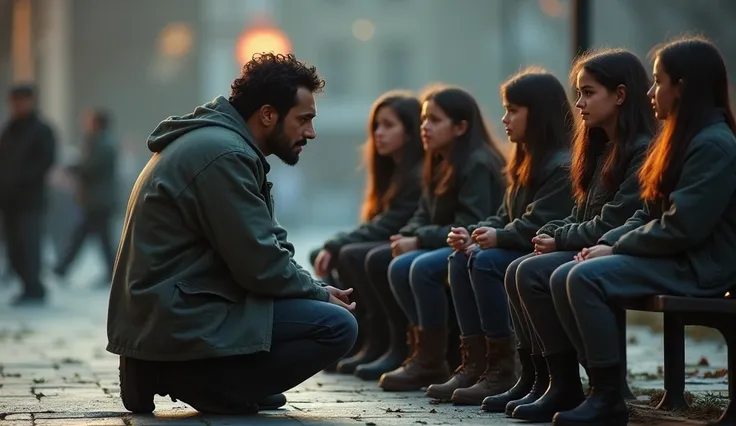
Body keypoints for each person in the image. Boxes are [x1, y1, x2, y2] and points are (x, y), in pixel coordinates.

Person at [107, 53, 359, 415]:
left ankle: (216, 375)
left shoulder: (224, 146)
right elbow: (260, 265)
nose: (311, 132)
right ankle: (182, 377)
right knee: (337, 327)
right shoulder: (223, 154)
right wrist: (317, 294)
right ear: (269, 114)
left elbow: (270, 243)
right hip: (173, 314)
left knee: (313, 315)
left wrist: (312, 289)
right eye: (304, 119)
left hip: (173, 307)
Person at [551, 37, 736, 426]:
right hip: (678, 257)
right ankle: (604, 388)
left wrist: (617, 250)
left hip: (701, 266)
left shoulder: (714, 145)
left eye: (658, 81)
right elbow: (646, 212)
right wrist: (609, 242)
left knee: (584, 278)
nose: (650, 91)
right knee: (568, 272)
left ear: (682, 87)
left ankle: (607, 398)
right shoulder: (678, 139)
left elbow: (681, 227)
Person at [495, 49, 657, 422]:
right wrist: (553, 233)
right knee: (522, 267)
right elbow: (579, 214)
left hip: (623, 250)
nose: (579, 103)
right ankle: (547, 379)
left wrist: (560, 240)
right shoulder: (602, 149)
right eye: (578, 93)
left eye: (588, 93)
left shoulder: (641, 150)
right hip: (599, 245)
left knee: (533, 271)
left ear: (619, 95)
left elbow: (614, 222)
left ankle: (582, 388)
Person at [436, 68, 575, 406]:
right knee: (461, 257)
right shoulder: (526, 159)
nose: (504, 119)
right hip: (522, 247)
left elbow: (540, 222)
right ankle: (476, 362)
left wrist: (495, 237)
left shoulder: (560, 165)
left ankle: (504, 367)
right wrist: (473, 233)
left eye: (513, 110)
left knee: (485, 262)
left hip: (548, 251)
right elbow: (506, 214)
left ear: (538, 112)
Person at [376, 86, 508, 391]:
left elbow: (468, 224)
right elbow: (423, 214)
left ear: (461, 127)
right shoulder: (438, 160)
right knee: (396, 263)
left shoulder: (477, 162)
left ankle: (441, 359)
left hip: (471, 243)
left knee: (419, 268)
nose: (425, 126)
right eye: (424, 119)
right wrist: (409, 235)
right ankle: (428, 355)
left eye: (434, 120)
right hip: (447, 241)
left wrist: (418, 240)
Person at [309, 91, 424, 374]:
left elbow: (391, 224)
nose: (378, 133)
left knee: (352, 254)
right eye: (376, 126)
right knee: (325, 253)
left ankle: (384, 342)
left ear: (410, 131)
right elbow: (379, 221)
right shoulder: (391, 171)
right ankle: (361, 339)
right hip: (393, 238)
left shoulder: (417, 173)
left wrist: (336, 244)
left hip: (405, 240)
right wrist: (333, 245)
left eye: (388, 125)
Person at [0, 84, 56, 306]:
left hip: (31, 200)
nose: (19, 105)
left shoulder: (42, 130)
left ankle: (33, 288)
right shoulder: (9, 130)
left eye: (23, 100)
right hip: (9, 201)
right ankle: (28, 285)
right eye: (15, 101)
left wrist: (20, 179)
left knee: (29, 245)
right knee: (13, 248)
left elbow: (46, 161)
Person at [54, 109, 118, 285]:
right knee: (95, 238)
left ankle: (63, 267)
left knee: (87, 236)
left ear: (97, 123)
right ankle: (64, 267)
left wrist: (71, 167)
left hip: (99, 201)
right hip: (97, 200)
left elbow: (90, 167)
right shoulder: (99, 142)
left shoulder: (103, 144)